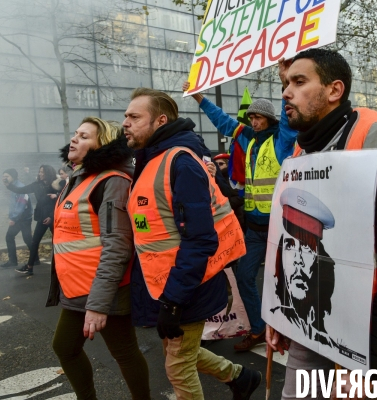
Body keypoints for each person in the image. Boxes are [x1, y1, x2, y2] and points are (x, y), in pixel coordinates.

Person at [266, 48, 377, 399]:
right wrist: (282, 315)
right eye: (285, 83)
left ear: (334, 90)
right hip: (311, 326)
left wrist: (371, 366)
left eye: (298, 81)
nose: (286, 92)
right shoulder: (301, 152)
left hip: (369, 336)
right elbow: (286, 241)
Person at [123, 88, 261, 399]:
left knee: (178, 365)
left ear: (160, 120)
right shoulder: (151, 159)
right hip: (168, 285)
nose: (125, 123)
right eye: (125, 116)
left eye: (134, 116)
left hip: (185, 287)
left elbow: (199, 239)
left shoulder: (180, 163)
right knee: (181, 353)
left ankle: (241, 377)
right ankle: (241, 377)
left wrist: (174, 301)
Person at [182, 63, 298, 352]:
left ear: (269, 119)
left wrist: (286, 80)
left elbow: (288, 111)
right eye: (251, 117)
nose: (253, 121)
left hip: (281, 227)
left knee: (287, 280)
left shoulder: (282, 138)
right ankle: (259, 329)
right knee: (245, 276)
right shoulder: (247, 137)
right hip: (255, 229)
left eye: (258, 117)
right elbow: (222, 121)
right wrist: (199, 98)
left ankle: (292, 331)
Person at [46, 117, 150, 399]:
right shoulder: (79, 176)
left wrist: (99, 304)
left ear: (101, 144)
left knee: (124, 353)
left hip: (106, 288)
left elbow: (117, 245)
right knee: (65, 348)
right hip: (79, 288)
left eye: (84, 136)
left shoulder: (112, 181)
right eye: (75, 134)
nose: (74, 139)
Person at [270, 188, 336, 348]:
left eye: (307, 247)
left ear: (318, 258)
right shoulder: (278, 315)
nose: (298, 260)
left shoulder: (333, 325)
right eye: (290, 246)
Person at [6, 165, 58, 275]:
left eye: (43, 172)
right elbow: (21, 190)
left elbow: (61, 200)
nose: (40, 174)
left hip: (54, 216)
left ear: (48, 173)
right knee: (34, 241)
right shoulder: (37, 185)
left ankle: (61, 265)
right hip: (42, 216)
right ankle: (29, 267)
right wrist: (9, 185)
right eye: (40, 172)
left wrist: (51, 216)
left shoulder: (55, 184)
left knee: (57, 242)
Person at [0, 169, 33, 268]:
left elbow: (21, 205)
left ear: (13, 177)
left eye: (7, 176)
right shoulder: (14, 186)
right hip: (23, 217)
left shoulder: (20, 187)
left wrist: (13, 218)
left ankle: (13, 261)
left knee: (10, 237)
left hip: (22, 218)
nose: (4, 178)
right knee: (27, 239)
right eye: (3, 176)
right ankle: (35, 259)